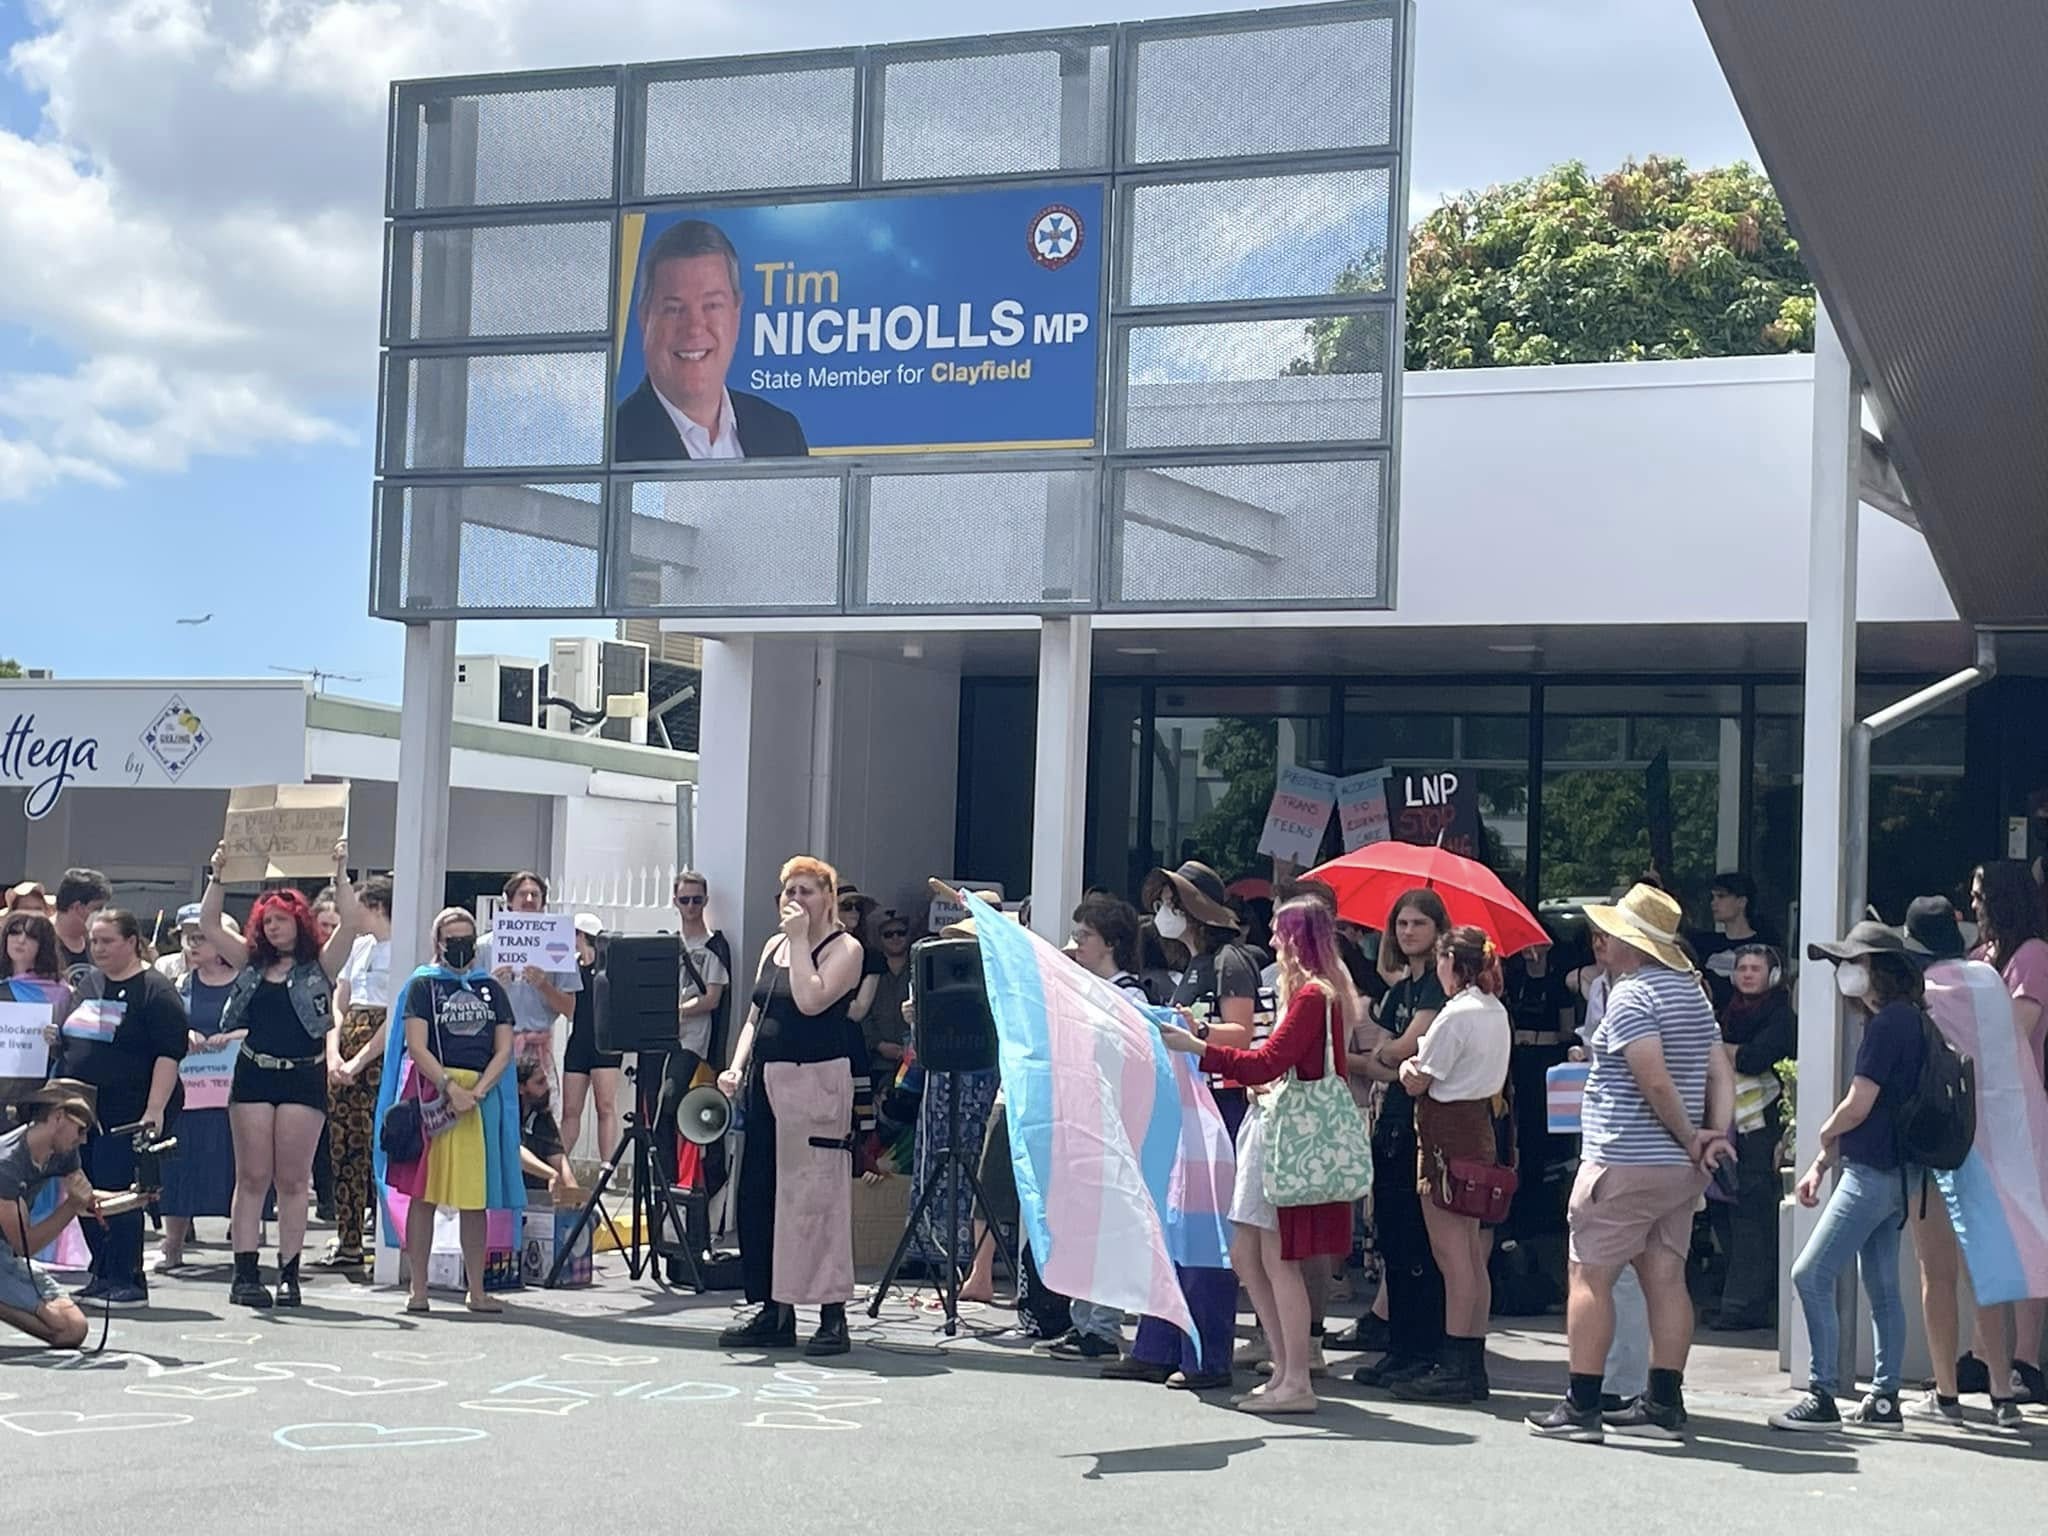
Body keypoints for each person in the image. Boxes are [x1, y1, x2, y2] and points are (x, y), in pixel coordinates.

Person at [1527, 883, 1734, 1442]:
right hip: (1677, 1170)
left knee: (1588, 1275)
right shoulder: (1692, 992)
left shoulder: (1631, 994)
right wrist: (1711, 1135)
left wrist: (1693, 1134)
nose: (1601, 941)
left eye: (1612, 933)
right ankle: (1663, 1403)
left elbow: (1652, 1079)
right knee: (1666, 1277)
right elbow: (1720, 1070)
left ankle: (1582, 1406)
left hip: (1623, 1156)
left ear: (1635, 943)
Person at [1160, 896, 1361, 1414]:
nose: (1271, 941)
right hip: (1277, 1127)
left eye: (1279, 932)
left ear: (1297, 939)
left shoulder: (1314, 996)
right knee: (1250, 1251)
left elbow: (1268, 1061)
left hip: (1285, 1132)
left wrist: (1197, 1044)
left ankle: (1295, 1377)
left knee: (1276, 1255)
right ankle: (1284, 1367)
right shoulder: (1325, 993)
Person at [1768, 921, 1932, 1432]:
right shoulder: (1915, 1022)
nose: (1845, 974)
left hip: (1868, 1175)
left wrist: (1823, 1133)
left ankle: (1822, 1393)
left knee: (1810, 1275)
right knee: (1882, 1287)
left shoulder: (1884, 1027)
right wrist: (1823, 1160)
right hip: (1900, 1177)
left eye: (1852, 964)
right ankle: (1884, 1399)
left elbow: (1860, 1104)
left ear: (1877, 970)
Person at [1105, 860, 1255, 1392]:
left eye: (1172, 901)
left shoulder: (1230, 962)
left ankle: (1206, 1355)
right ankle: (1158, 1344)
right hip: (1183, 1110)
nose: (1162, 912)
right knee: (1168, 1231)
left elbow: (1243, 1033)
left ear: (1194, 909)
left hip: (1217, 1110)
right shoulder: (1194, 966)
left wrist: (1198, 1030)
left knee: (1202, 1237)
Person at [1900, 895, 2047, 1430]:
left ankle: (1947, 1396)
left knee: (1935, 1273)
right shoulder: (1987, 980)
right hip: (1991, 1144)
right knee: (1987, 1271)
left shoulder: (1922, 992)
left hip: (1939, 1144)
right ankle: (2003, 1390)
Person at [201, 838, 359, 1308]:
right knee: (252, 1176)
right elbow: (209, 923)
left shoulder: (321, 965)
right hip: (254, 1073)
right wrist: (218, 874)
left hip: (302, 1076)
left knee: (293, 1180)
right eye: (266, 920)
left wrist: (342, 872)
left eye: (281, 919)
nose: (273, 927)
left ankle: (288, 1273)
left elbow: (350, 923)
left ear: (299, 923)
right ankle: (245, 1272)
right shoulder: (251, 962)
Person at [716, 855, 863, 1357]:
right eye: (788, 892)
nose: (795, 901)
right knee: (761, 1197)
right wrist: (737, 1064)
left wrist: (801, 941)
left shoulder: (845, 948)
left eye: (806, 891)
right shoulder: (773, 946)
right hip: (768, 1079)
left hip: (817, 1081)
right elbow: (757, 1013)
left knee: (815, 1199)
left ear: (828, 898)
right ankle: (773, 1309)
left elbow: (810, 1000)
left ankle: (831, 1313)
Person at [378, 906, 523, 1316]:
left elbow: (504, 1049)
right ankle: (418, 1288)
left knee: (475, 1199)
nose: (459, 947)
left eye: (466, 939)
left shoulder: (492, 990)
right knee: (425, 1193)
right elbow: (416, 1045)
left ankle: (476, 1290)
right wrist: (448, 1087)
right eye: (452, 940)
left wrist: (476, 1092)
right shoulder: (424, 987)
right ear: (438, 944)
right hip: (433, 1095)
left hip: (480, 1098)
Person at [1392, 925, 1513, 1404]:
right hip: (1480, 1126)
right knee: (1470, 1252)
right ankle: (1470, 1357)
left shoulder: (1455, 1014)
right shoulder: (1495, 1010)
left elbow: (1420, 1079)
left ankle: (1456, 1362)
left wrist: (1404, 1069)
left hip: (1446, 1129)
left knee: (1452, 1255)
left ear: (1450, 963)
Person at [55, 908, 190, 1304]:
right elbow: (75, 1037)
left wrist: (154, 1110)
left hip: (128, 1112)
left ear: (131, 942)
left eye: (107, 941)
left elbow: (169, 1055)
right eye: (94, 941)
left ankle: (128, 1279)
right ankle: (102, 1271)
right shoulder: (90, 983)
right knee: (83, 1190)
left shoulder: (155, 990)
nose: (98, 949)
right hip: (82, 1111)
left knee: (118, 1193)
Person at [1038, 894, 1150, 1364]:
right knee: (1082, 1225)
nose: (1075, 944)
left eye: (1085, 936)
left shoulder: (1131, 996)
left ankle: (1102, 1326)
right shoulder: (1084, 989)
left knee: (1110, 1228)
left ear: (1111, 943)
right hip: (1081, 1118)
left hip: (1115, 1125)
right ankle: (1082, 1319)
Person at [1354, 887, 1451, 1390]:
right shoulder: (1399, 989)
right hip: (1389, 1118)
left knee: (1418, 1245)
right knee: (1392, 1239)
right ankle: (1399, 1346)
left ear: (1438, 932)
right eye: (1402, 924)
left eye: (1418, 924)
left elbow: (1407, 1046)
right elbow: (1374, 1057)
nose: (1407, 932)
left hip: (1422, 1125)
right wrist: (1384, 1056)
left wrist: (1386, 1053)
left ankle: (1423, 1349)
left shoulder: (1437, 984)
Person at [613, 217, 809, 462]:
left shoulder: (782, 434)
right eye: (674, 309)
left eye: (712, 305)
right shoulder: (610, 443)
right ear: (644, 318)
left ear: (736, 314)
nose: (694, 328)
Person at [1968, 859, 2048, 1406]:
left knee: (2026, 1232)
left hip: (2020, 1109)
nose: (1972, 903)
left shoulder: (2033, 956)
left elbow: (2017, 1028)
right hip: (1978, 1111)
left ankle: (2026, 1358)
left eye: (1979, 894)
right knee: (1985, 1233)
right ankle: (1983, 1355)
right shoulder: (1979, 958)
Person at [1700, 943, 1795, 1332]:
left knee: (1752, 1213)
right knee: (1725, 1209)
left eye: (1756, 968)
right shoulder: (1729, 1011)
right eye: (1742, 968)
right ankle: (1737, 1298)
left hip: (1761, 1129)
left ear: (1772, 975)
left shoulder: (1781, 1015)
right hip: (1729, 1126)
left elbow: (1758, 1058)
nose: (1748, 975)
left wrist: (1724, 1050)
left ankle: (1744, 1305)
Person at [154, 912, 244, 1272]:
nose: (192, 945)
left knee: (235, 1165)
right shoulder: (178, 985)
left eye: (200, 938)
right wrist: (183, 1034)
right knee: (180, 1164)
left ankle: (243, 1250)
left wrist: (236, 1038)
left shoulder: (245, 985)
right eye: (188, 938)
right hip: (189, 1092)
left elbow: (265, 1028)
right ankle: (172, 1245)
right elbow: (164, 1028)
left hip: (235, 1093)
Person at [319, 876, 394, 1271]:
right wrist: (334, 1054)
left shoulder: (402, 948)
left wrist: (360, 1059)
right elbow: (339, 999)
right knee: (345, 1147)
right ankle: (348, 1237)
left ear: (377, 906)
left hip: (376, 1056)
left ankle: (387, 1236)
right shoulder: (359, 947)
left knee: (380, 1145)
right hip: (346, 1049)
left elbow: (395, 1013)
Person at [654, 871, 732, 1209]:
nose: (690, 906)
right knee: (658, 1111)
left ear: (705, 901)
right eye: (684, 900)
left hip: (694, 1044)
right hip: (663, 1040)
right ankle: (664, 1184)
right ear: (675, 902)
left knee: (672, 1105)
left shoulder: (715, 946)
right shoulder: (667, 943)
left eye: (696, 900)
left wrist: (679, 1011)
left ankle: (681, 1184)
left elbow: (713, 999)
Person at [0, 1081, 99, 1348]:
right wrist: (70, 1208)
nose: (83, 1139)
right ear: (58, 1117)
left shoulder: (62, 1152)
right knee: (66, 1327)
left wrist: (136, 1196)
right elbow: (25, 1245)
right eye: (81, 1129)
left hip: (4, 1252)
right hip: (11, 1250)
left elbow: (86, 1197)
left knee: (72, 1329)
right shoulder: (6, 1164)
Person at [480, 871, 579, 1093]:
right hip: (496, 1047)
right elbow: (472, 1002)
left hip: (538, 1050)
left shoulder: (560, 945)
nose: (529, 900)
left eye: (535, 894)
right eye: (522, 894)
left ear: (543, 903)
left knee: (540, 1117)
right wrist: (494, 987)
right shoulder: (485, 947)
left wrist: (544, 985)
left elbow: (571, 1010)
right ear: (509, 902)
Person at [559, 913, 622, 1165]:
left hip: (605, 1045)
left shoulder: (610, 968)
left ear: (581, 935)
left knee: (605, 1106)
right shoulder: (571, 967)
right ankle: (558, 1167)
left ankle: (607, 1169)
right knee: (570, 1110)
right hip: (579, 1042)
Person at [2, 910, 72, 1109]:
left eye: (31, 936)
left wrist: (56, 1040)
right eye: (14, 933)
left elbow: (68, 1048)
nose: (21, 940)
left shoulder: (60, 992)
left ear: (44, 946)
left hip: (32, 1095)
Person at [1693, 872, 1779, 1009]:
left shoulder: (1764, 945)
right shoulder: (1705, 943)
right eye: (1713, 897)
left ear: (1741, 902)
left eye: (1721, 896)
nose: (1713, 902)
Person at [517, 1057, 577, 1195]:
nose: (547, 1088)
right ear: (521, 1088)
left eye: (545, 1081)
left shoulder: (542, 1116)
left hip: (538, 1200)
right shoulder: (508, 1116)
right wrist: (551, 1174)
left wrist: (576, 1197)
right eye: (540, 1083)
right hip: (508, 1198)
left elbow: (560, 1162)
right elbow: (515, 1152)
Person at [52, 868, 110, 987]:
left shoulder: (99, 943)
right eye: (97, 909)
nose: (103, 914)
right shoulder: (39, 939)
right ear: (77, 907)